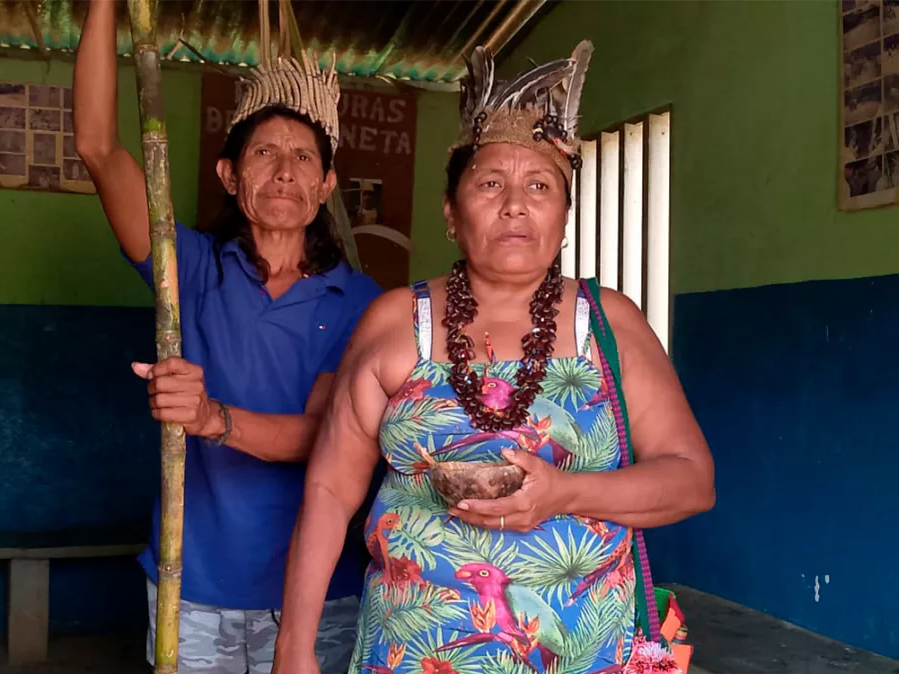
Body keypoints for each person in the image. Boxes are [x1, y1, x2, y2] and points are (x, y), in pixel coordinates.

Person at [272, 41, 715, 674]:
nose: (515, 204)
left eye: (540, 185)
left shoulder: (608, 324)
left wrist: (564, 493)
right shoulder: (397, 323)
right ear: (451, 213)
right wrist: (293, 649)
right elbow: (329, 487)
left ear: (563, 216)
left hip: (586, 655)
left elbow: (692, 480)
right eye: (489, 184)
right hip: (414, 650)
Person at [73, 2, 382, 672]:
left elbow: (323, 437)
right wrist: (104, 6)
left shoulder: (363, 305)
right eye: (264, 153)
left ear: (327, 184)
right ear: (229, 174)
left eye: (304, 159)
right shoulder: (187, 267)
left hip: (319, 595)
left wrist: (212, 418)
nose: (284, 172)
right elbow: (98, 147)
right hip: (192, 591)